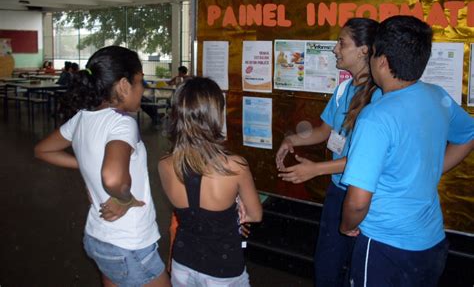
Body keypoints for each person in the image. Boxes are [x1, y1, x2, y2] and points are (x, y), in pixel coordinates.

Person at [339, 16, 474, 286]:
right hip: (431, 242)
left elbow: (357, 201)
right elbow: (468, 134)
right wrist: (434, 168)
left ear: (383, 62)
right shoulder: (437, 96)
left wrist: (346, 226)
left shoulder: (376, 117)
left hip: (384, 245)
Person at [34, 46, 170, 287]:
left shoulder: (82, 118)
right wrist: (125, 197)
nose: (143, 89)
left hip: (99, 238)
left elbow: (43, 150)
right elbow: (112, 177)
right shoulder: (122, 124)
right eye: (140, 82)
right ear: (124, 85)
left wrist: (87, 164)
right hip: (130, 243)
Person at [276, 17, 381, 287]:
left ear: (364, 50)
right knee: (327, 266)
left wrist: (314, 169)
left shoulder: (381, 96)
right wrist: (292, 140)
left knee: (356, 270)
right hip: (338, 191)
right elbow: (325, 131)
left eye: (341, 43)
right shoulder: (344, 89)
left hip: (366, 194)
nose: (335, 49)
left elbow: (366, 160)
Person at [158, 77, 262, 286]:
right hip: (222, 268)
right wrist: (237, 205)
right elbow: (255, 215)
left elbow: (192, 205)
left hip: (183, 262)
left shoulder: (164, 164)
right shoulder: (234, 166)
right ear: (215, 116)